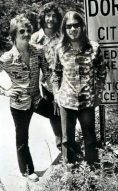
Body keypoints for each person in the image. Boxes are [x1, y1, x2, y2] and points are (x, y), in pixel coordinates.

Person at [0, 14, 59, 181]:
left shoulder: (38, 51)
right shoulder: (7, 58)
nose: (26, 34)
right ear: (14, 35)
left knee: (59, 114)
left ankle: (68, 150)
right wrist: (5, 91)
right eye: (21, 31)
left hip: (37, 99)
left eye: (28, 30)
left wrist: (55, 94)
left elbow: (47, 73)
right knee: (22, 139)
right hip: (19, 105)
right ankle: (27, 171)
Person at [51, 11, 106, 165]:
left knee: (89, 139)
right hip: (66, 102)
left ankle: (91, 173)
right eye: (69, 26)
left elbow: (102, 72)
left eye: (76, 25)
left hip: (87, 102)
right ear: (64, 29)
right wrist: (56, 94)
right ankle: (70, 173)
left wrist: (98, 94)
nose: (73, 29)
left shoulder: (94, 48)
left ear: (82, 27)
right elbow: (56, 74)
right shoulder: (60, 49)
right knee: (67, 140)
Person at [30, 2, 63, 149]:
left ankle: (68, 143)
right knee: (54, 113)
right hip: (46, 84)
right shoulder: (36, 38)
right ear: (43, 18)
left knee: (66, 112)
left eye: (53, 16)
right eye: (48, 16)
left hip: (64, 81)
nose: (50, 19)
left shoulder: (62, 37)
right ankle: (60, 143)